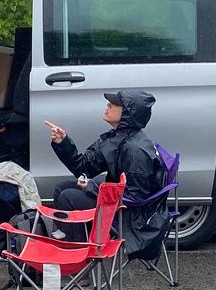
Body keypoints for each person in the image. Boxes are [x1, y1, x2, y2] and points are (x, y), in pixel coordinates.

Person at [43, 90, 165, 249]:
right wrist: (63, 142)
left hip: (132, 218)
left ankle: (77, 254)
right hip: (119, 203)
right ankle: (73, 245)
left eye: (113, 104)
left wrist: (92, 187)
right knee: (62, 188)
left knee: (68, 197)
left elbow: (135, 197)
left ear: (128, 113)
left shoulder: (136, 150)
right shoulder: (117, 138)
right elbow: (83, 167)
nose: (107, 106)